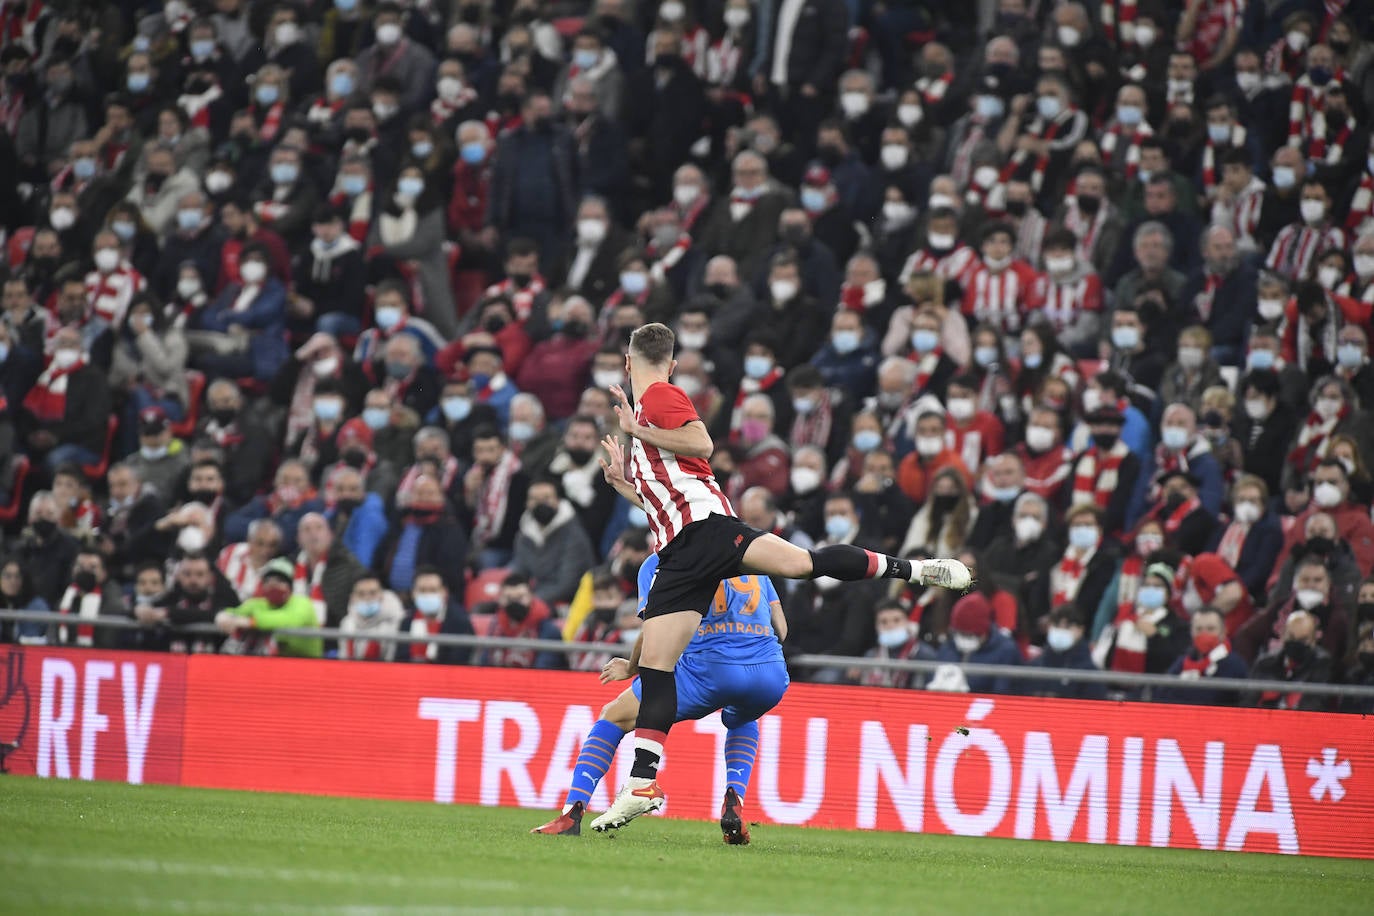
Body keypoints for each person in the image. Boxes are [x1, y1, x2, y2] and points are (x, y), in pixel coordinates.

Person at [590, 323, 970, 832]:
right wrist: (623, 484)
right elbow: (665, 504)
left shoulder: (658, 397)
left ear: (631, 364)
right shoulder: (650, 413)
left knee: (793, 572)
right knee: (659, 668)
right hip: (687, 547)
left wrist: (638, 433)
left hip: (703, 536)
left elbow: (700, 442)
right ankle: (641, 785)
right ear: (672, 361)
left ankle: (920, 570)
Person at [534, 551, 788, 843]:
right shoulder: (754, 558)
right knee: (742, 716)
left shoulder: (660, 562)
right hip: (770, 674)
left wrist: (630, 667)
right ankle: (734, 799)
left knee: (613, 715)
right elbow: (781, 628)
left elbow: (655, 628)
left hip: (708, 670)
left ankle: (572, 814)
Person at [214, 558, 321, 658]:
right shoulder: (258, 604)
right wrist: (222, 615)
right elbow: (237, 612)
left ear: (290, 586)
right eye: (268, 581)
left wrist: (250, 622)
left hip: (305, 664)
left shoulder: (302, 603)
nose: (273, 585)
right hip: (273, 664)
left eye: (279, 580)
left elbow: (288, 619)